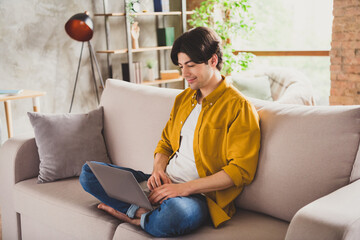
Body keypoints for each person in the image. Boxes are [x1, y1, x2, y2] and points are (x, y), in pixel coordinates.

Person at [79, 26, 261, 237]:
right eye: (181, 66)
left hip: (199, 197)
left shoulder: (239, 107)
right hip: (165, 184)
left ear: (212, 60)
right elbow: (165, 143)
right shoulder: (183, 99)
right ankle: (140, 212)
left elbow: (239, 171)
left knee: (174, 215)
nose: (184, 74)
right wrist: (158, 171)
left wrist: (182, 189)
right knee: (88, 173)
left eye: (191, 65)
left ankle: (137, 217)